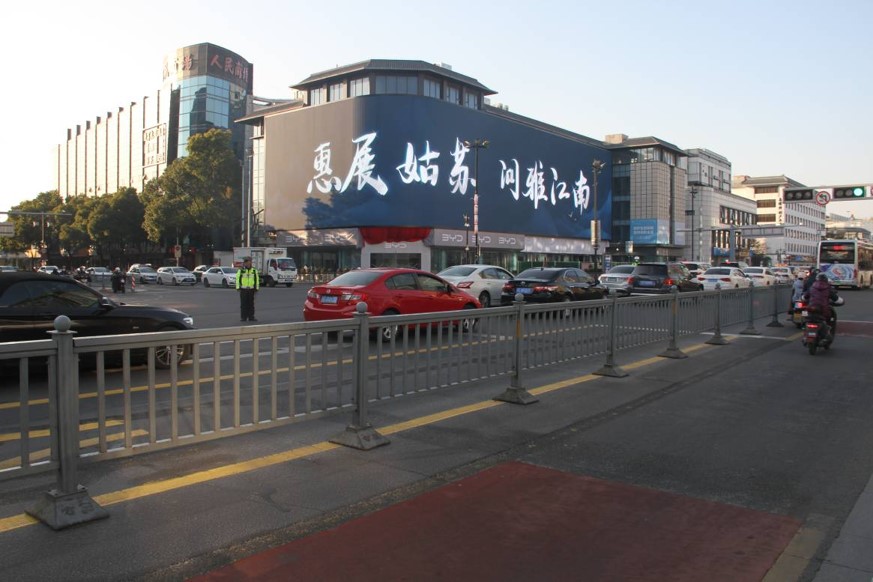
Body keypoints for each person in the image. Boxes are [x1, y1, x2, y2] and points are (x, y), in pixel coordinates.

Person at [236, 256, 259, 322]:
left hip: (251, 289)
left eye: (249, 262)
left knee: (251, 304)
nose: (248, 263)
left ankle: (251, 317)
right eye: (246, 262)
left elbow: (256, 279)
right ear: (244, 263)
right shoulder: (241, 270)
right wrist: (238, 287)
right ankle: (243, 317)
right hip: (243, 289)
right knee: (243, 304)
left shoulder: (254, 270)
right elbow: (238, 279)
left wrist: (256, 288)